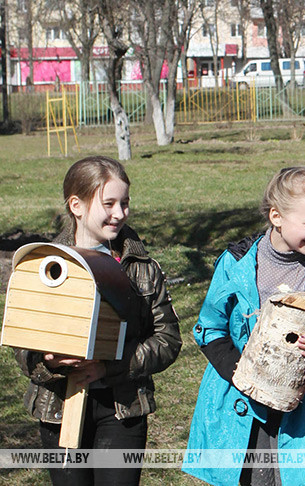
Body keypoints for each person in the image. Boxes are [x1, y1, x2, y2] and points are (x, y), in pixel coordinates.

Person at [15, 155, 181, 486]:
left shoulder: (140, 266)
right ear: (76, 205)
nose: (120, 213)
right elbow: (22, 344)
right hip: (58, 408)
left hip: (121, 410)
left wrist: (110, 366)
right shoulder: (44, 264)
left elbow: (167, 340)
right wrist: (48, 361)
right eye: (109, 203)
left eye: (125, 203)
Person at [183, 167, 305, 486]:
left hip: (301, 413)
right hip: (239, 405)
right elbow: (208, 329)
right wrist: (244, 375)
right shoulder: (235, 265)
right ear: (277, 216)